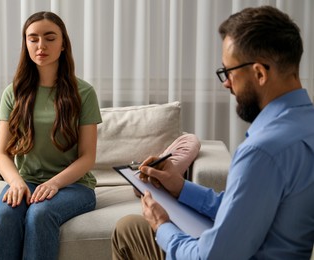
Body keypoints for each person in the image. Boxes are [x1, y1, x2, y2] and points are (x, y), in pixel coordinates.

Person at [111, 5, 314, 260]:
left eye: (228, 72)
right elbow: (243, 210)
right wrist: (181, 188)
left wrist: (162, 226)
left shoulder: (263, 150)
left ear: (259, 73)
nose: (226, 83)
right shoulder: (306, 125)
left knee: (130, 232)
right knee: (131, 226)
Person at [0, 11, 102, 260]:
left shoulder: (84, 93)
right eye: (33, 38)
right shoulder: (13, 92)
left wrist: (54, 184)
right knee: (6, 214)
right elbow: (2, 155)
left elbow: (87, 157)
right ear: (25, 44)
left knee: (40, 213)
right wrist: (16, 182)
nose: (41, 45)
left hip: (73, 186)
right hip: (26, 181)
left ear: (63, 44)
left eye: (50, 38)